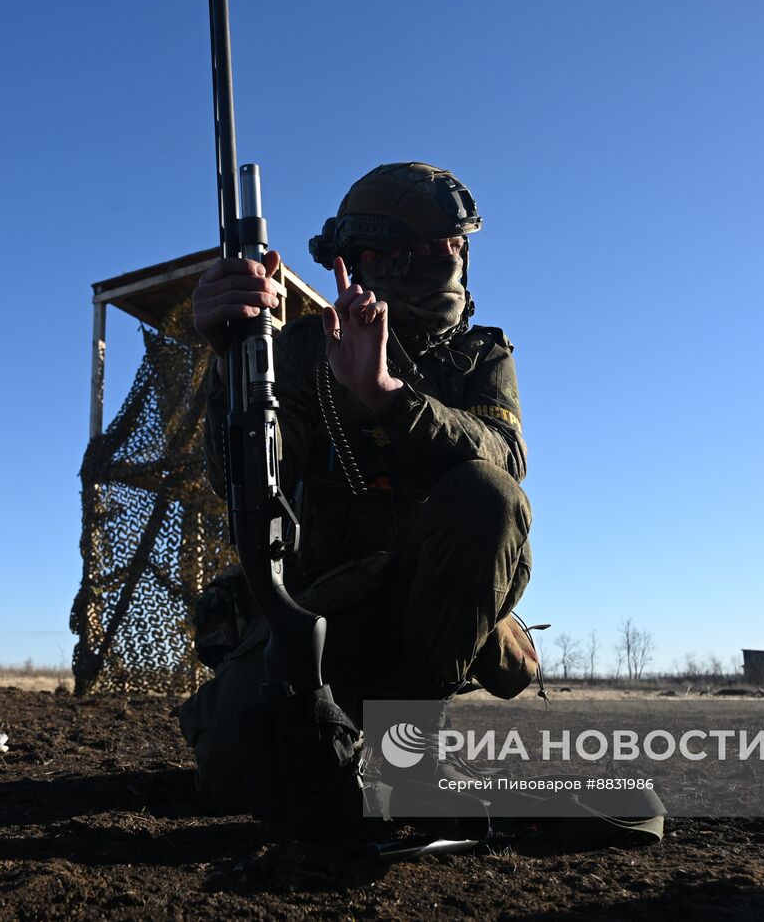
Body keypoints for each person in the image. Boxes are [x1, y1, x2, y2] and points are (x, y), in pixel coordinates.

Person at [176, 162, 539, 812]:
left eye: (451, 246)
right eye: (418, 252)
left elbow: (503, 459)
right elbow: (243, 478)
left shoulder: (480, 357)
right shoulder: (307, 350)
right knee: (238, 775)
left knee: (488, 496)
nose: (443, 262)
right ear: (365, 261)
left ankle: (411, 755)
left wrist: (386, 395)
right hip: (326, 618)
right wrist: (231, 358)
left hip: (431, 634)